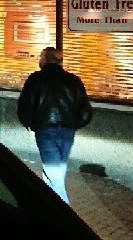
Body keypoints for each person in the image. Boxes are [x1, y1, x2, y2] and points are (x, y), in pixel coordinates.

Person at [17, 47, 92, 204]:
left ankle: (63, 210)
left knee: (53, 173)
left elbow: (25, 106)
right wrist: (73, 124)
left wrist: (30, 123)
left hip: (45, 130)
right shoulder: (73, 80)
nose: (39, 60)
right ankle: (48, 205)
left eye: (40, 57)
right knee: (57, 171)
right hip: (67, 132)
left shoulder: (35, 79)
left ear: (45, 59)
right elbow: (86, 111)